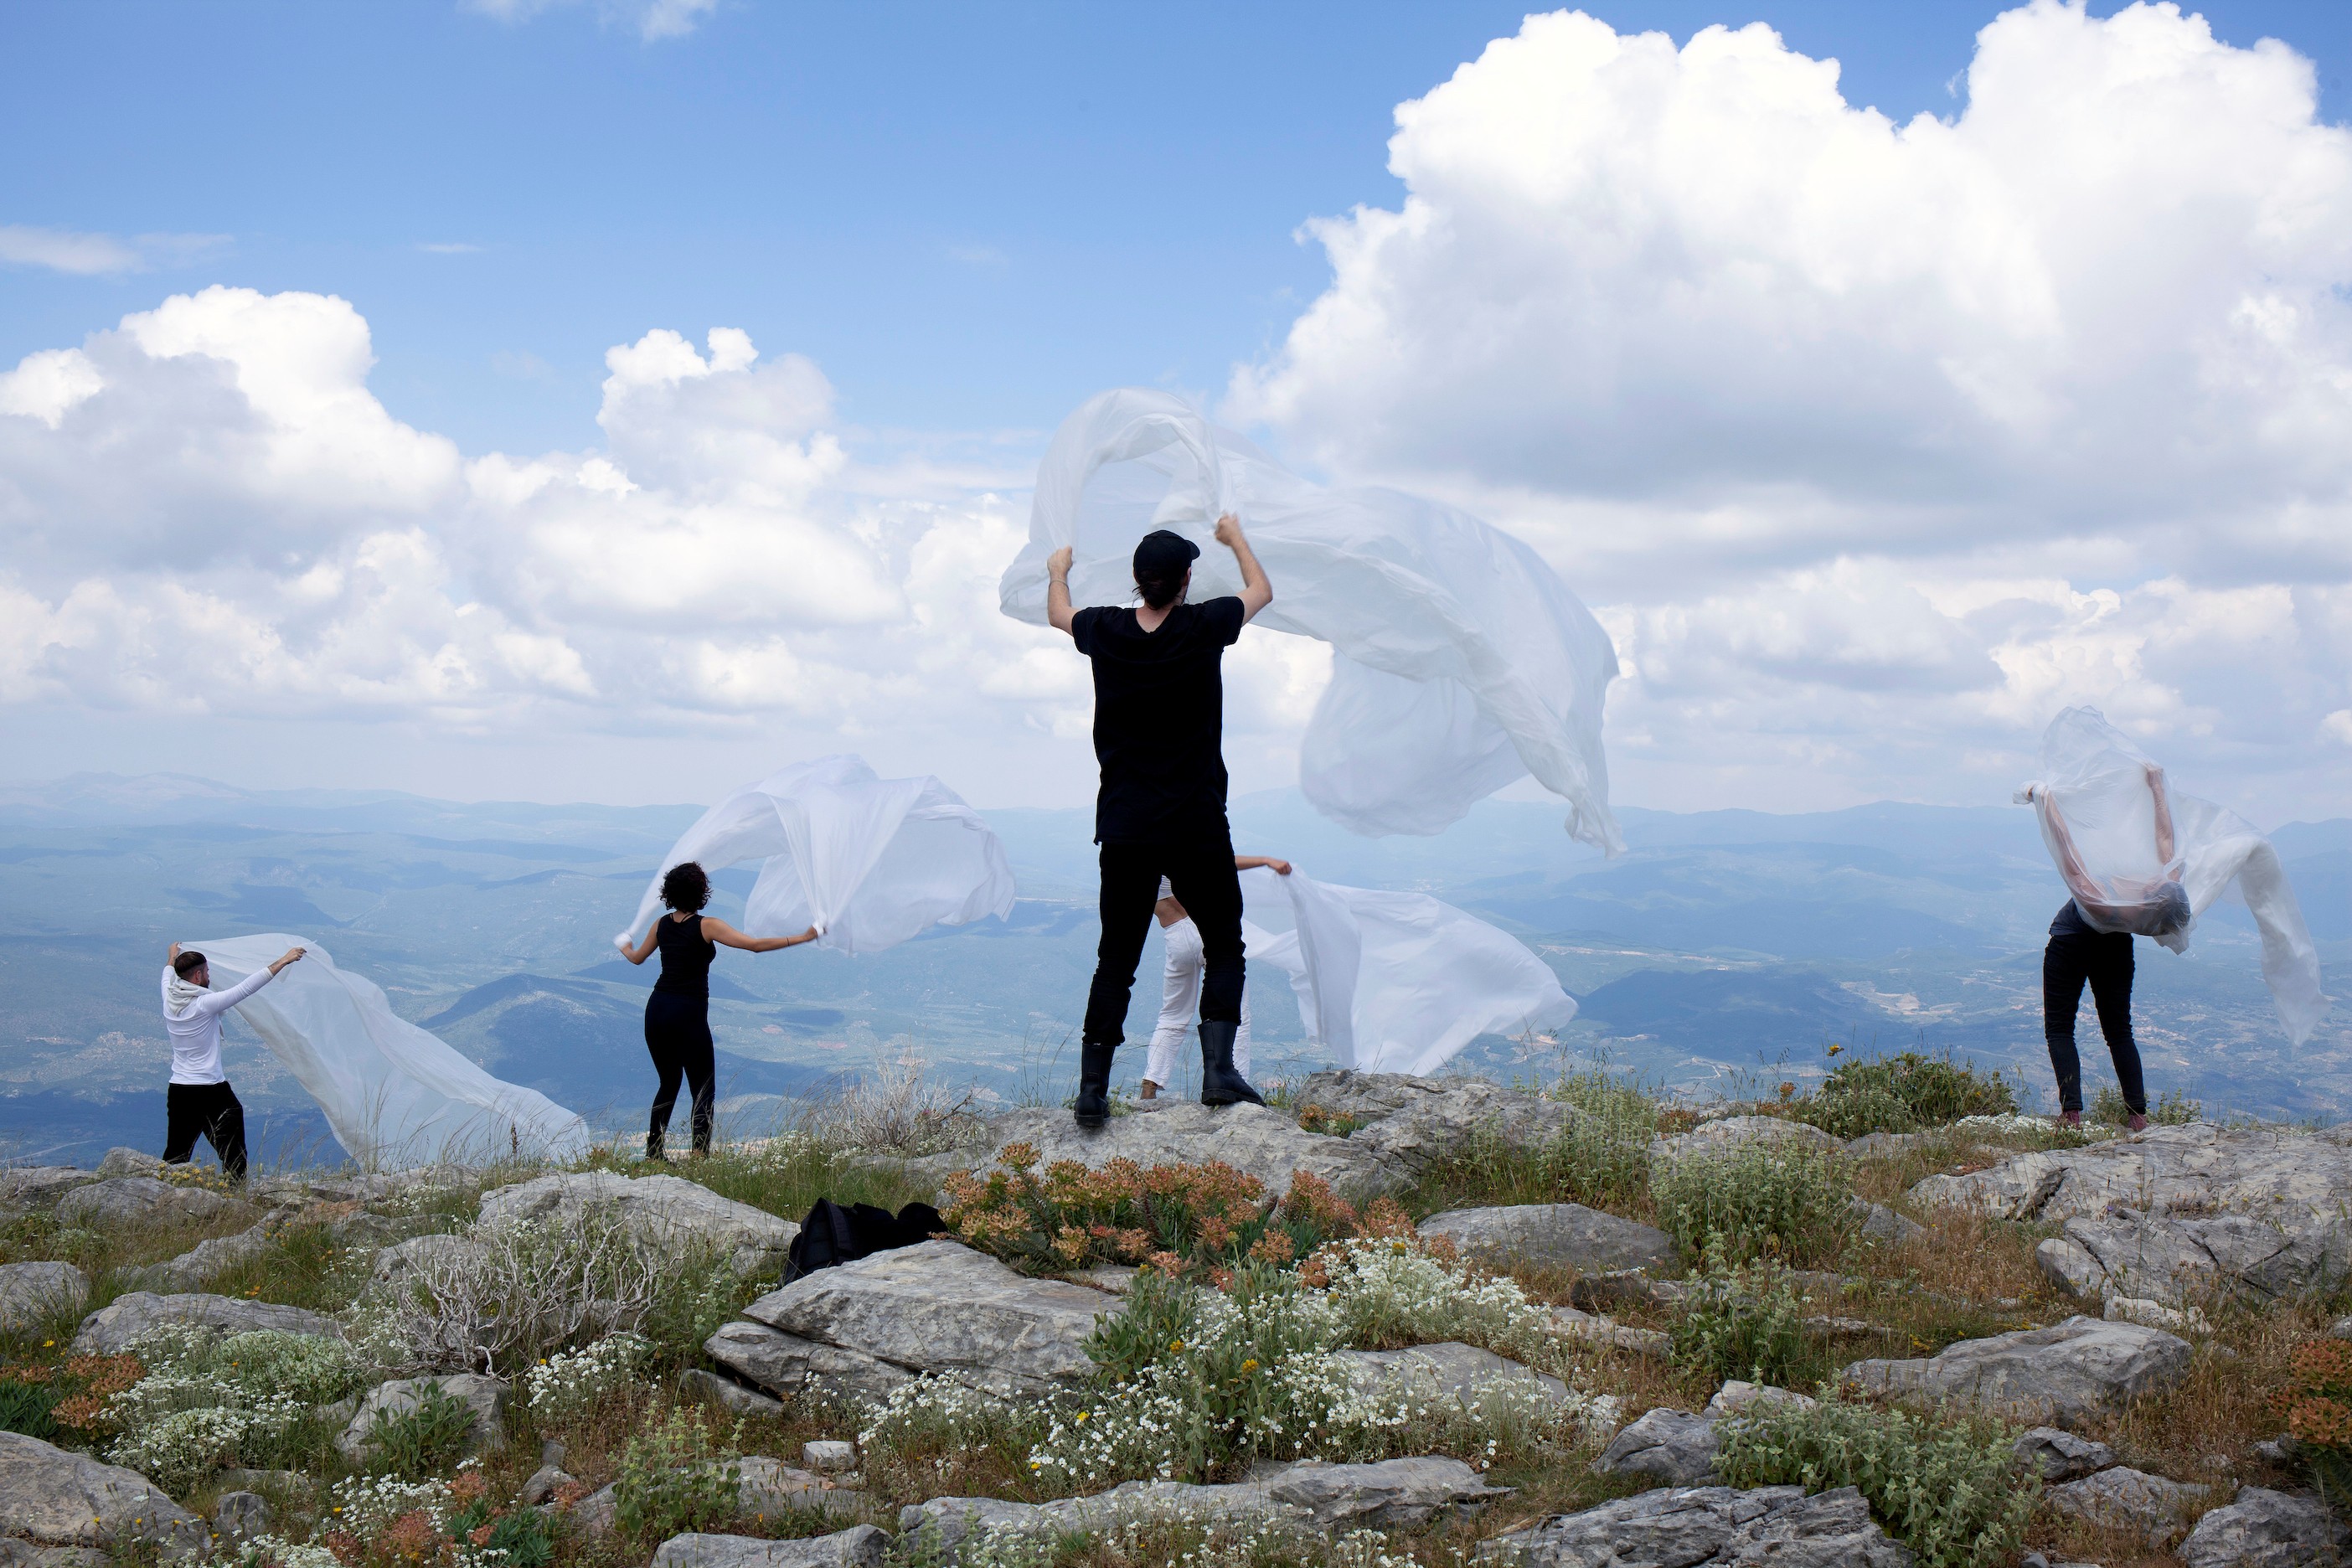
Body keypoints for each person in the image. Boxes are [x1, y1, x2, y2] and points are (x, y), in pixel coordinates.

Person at [1048, 514, 1275, 1128]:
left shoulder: (1107, 629)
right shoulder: (1203, 626)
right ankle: (1219, 1074)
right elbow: (1262, 592)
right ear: (1185, 582)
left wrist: (1057, 572)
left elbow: (1057, 613)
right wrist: (1237, 540)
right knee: (1225, 943)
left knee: (1115, 959)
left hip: (1125, 823)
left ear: (1136, 580)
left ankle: (1092, 1091)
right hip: (1195, 820)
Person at [619, 861, 818, 1159]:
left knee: (668, 1083)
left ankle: (654, 1154)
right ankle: (699, 1157)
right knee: (703, 1087)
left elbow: (636, 958)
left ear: (669, 892)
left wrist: (624, 945)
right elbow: (754, 946)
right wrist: (802, 937)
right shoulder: (706, 925)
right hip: (688, 1013)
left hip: (657, 1009)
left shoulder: (660, 925)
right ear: (701, 892)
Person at [2024, 764, 2171, 1132]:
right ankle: (2137, 1116)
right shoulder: (2157, 896)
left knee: (2059, 1028)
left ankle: (2071, 1114)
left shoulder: (2096, 898)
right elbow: (2166, 840)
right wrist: (2156, 787)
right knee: (2119, 1030)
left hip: (2069, 942)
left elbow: (2066, 849)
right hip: (2115, 949)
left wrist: (2046, 801)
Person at [1139, 857, 1291, 1100]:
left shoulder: (1129, 856)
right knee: (1234, 1009)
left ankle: (1151, 1084)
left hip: (1174, 936)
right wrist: (1265, 860)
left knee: (1172, 1014)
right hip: (1204, 928)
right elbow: (1218, 860)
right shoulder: (1166, 841)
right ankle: (1235, 1078)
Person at [161, 941, 307, 1180]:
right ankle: (235, 1192)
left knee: (177, 1152)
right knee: (234, 1152)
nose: (209, 976)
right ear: (197, 976)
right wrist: (283, 960)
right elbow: (245, 988)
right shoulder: (204, 1004)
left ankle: (161, 1191)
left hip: (179, 1091)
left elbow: (167, 973)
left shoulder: (169, 997)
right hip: (211, 1091)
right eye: (207, 972)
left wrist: (171, 957)